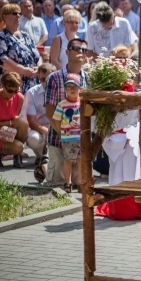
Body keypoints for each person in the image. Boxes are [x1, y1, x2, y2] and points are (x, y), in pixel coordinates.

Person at [45, 38, 89, 187]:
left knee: (78, 183)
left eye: (84, 50)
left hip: (80, 145)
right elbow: (50, 112)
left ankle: (44, 167)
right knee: (56, 184)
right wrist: (66, 136)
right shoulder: (54, 77)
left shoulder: (89, 79)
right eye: (76, 48)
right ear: (67, 52)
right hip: (58, 141)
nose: (80, 52)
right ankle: (44, 166)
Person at [0, 3, 41, 94]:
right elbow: (3, 60)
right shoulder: (1, 36)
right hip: (11, 83)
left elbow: (37, 56)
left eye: (19, 13)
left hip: (31, 83)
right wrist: (23, 70)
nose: (18, 16)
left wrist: (38, 68)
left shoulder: (26, 35)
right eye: (14, 13)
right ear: (5, 17)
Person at [0, 73, 29, 168]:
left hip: (9, 131)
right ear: (2, 85)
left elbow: (16, 119)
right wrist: (7, 123)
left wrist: (11, 123)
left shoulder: (19, 97)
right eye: (10, 90)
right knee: (19, 147)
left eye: (16, 90)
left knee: (24, 124)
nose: (13, 94)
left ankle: (16, 154)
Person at [21, 62, 54, 179]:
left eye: (48, 79)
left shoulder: (61, 90)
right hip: (38, 127)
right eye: (42, 79)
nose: (45, 82)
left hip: (56, 125)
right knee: (33, 138)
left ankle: (46, 160)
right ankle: (43, 157)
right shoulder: (32, 92)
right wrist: (45, 130)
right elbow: (31, 120)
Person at [51, 73, 83, 193]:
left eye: (75, 87)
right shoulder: (62, 104)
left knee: (81, 160)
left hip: (81, 137)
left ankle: (81, 182)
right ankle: (67, 182)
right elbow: (56, 119)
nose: (72, 90)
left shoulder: (83, 103)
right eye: (69, 87)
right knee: (68, 160)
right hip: (68, 137)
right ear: (65, 89)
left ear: (80, 88)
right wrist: (62, 132)